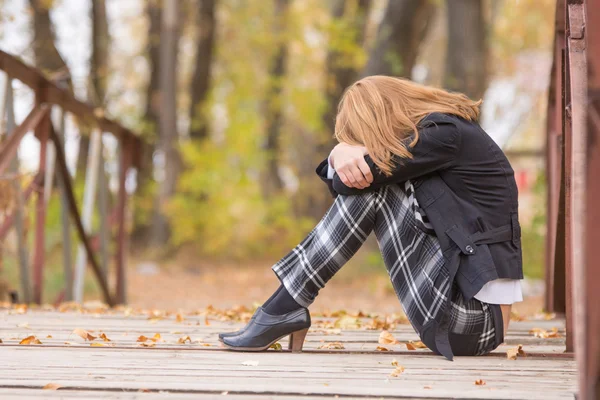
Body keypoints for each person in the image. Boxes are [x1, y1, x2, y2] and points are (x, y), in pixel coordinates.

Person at [218, 76, 523, 360]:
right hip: (461, 316)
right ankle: (283, 308)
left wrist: (340, 153)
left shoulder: (446, 135)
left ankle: (282, 308)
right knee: (371, 185)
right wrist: (341, 156)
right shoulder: (448, 136)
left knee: (373, 189)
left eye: (363, 136)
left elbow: (352, 183)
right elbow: (349, 181)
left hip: (474, 321)